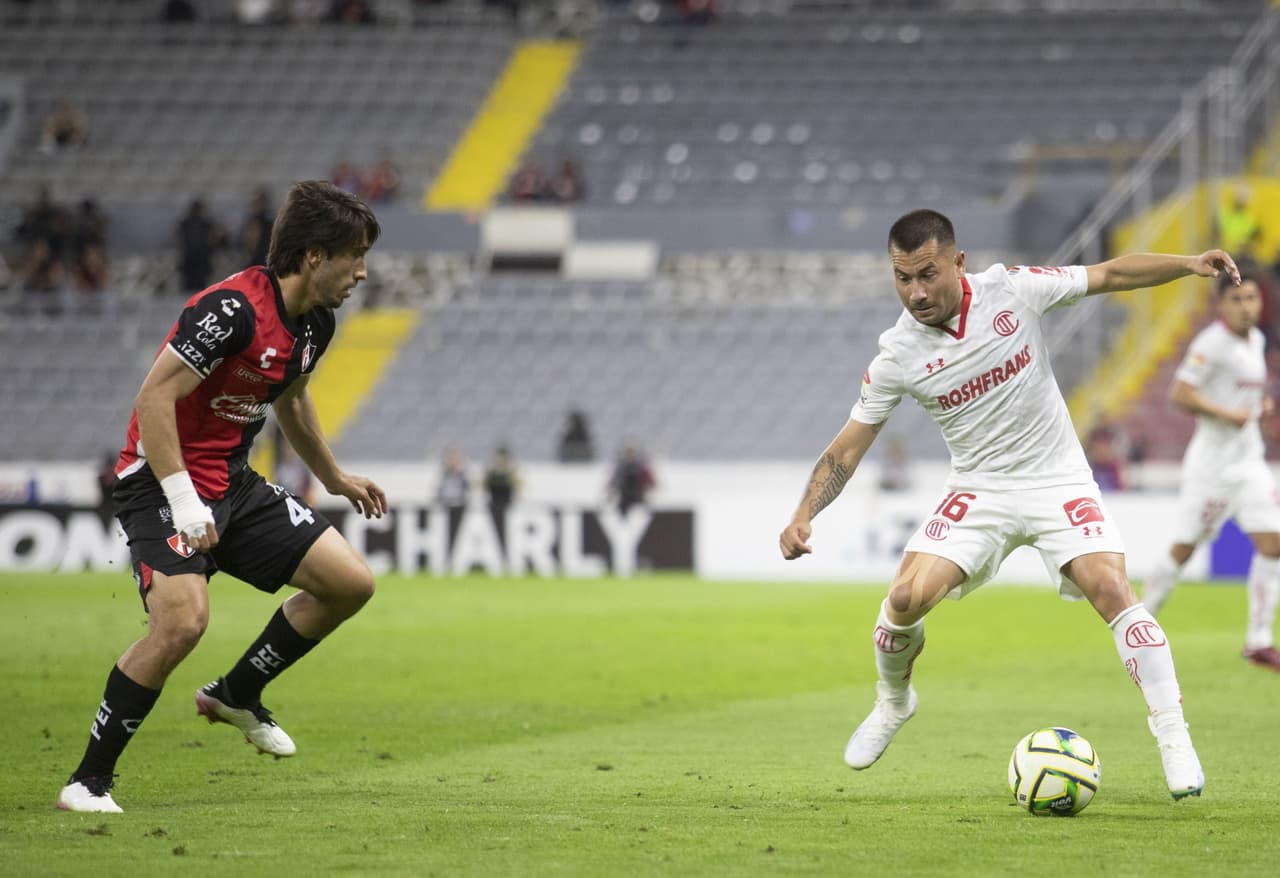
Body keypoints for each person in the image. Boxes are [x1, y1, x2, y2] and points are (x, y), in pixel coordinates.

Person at [778, 208, 1240, 801]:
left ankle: (1174, 736)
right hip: (980, 487)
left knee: (1113, 589)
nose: (915, 292)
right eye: (901, 278)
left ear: (957, 261)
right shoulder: (896, 355)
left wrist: (1186, 264)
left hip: (1057, 479)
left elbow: (1111, 275)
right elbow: (847, 448)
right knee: (902, 599)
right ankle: (894, 702)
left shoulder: (1012, 291)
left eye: (926, 273)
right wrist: (802, 515)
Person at [56, 180, 388, 813]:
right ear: (316, 254)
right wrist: (184, 502)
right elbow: (154, 400)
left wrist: (336, 477)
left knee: (350, 584)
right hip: (160, 480)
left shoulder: (316, 323)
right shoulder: (232, 309)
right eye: (357, 255)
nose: (364, 273)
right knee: (182, 621)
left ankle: (236, 692)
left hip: (232, 483)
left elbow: (291, 399)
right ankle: (88, 781)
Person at [1142, 277, 1280, 671]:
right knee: (1185, 548)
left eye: (1251, 297)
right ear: (1222, 305)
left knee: (1273, 544)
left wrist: (1257, 407)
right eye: (1237, 299)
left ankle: (1258, 641)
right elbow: (1179, 393)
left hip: (1249, 463)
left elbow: (1240, 395)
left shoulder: (1255, 341)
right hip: (1212, 470)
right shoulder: (1210, 344)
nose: (1246, 306)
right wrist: (1226, 413)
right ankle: (1139, 621)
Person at [608, 444, 656, 515]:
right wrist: (611, 487)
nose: (630, 454)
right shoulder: (622, 466)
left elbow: (648, 477)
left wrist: (650, 484)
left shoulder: (640, 465)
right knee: (621, 510)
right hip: (624, 494)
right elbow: (615, 478)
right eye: (628, 452)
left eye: (632, 452)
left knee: (644, 510)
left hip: (638, 492)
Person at [483, 445, 520, 530]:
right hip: (494, 506)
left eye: (504, 458)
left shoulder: (511, 473)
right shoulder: (492, 473)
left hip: (507, 506)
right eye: (499, 458)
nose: (501, 461)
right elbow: (484, 486)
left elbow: (518, 486)